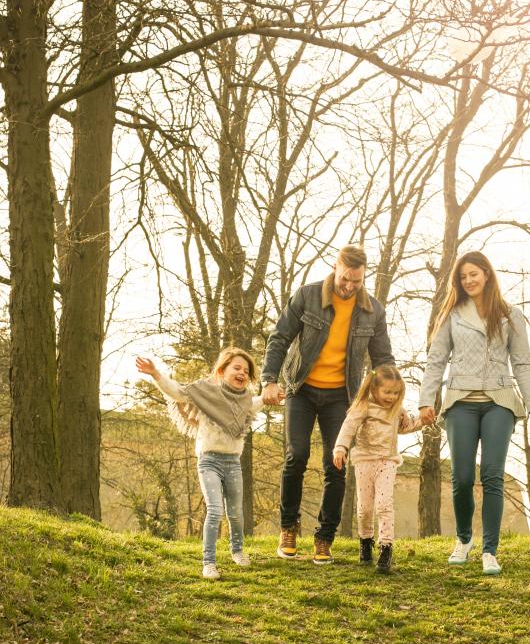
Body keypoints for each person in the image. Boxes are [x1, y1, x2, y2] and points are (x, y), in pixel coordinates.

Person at [261, 245, 395, 565]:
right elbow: (279, 338)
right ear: (335, 267)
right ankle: (289, 527)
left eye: (357, 282)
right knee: (297, 455)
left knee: (335, 466)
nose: (349, 287)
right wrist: (269, 380)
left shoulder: (372, 311)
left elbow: (383, 359)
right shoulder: (307, 296)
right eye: (345, 279)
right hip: (301, 389)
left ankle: (324, 537)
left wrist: (391, 398)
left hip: (341, 397)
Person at [418, 251, 530, 575]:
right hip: (460, 401)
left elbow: (523, 364)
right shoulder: (452, 314)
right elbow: (435, 360)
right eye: (463, 277)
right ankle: (463, 539)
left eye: (473, 274)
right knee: (461, 478)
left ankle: (490, 550)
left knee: (492, 475)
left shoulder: (510, 315)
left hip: (499, 401)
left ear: (487, 274)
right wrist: (426, 401)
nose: (468, 280)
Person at [135, 348, 279, 580]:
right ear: (222, 371)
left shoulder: (244, 401)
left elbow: (254, 404)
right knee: (215, 510)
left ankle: (237, 551)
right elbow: (177, 392)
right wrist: (155, 374)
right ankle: (208, 562)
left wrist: (269, 397)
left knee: (235, 513)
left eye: (246, 370)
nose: (242, 372)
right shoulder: (205, 392)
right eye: (237, 368)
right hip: (209, 461)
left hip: (233, 462)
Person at [332, 365, 422, 574]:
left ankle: (386, 547)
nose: (391, 397)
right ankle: (365, 541)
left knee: (384, 504)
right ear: (374, 389)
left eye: (396, 393)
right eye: (387, 392)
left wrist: (421, 422)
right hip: (364, 461)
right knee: (365, 508)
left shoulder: (396, 410)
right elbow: (348, 427)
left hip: (387, 462)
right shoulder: (363, 406)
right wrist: (340, 448)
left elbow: (404, 428)